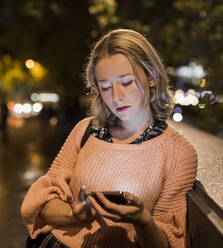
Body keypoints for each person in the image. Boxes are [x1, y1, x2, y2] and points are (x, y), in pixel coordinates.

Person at [21, 29, 198, 248]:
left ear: (152, 77)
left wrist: (142, 221)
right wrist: (74, 214)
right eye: (105, 86)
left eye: (126, 82)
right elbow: (43, 200)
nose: (116, 96)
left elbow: (170, 241)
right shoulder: (86, 131)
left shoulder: (178, 152)